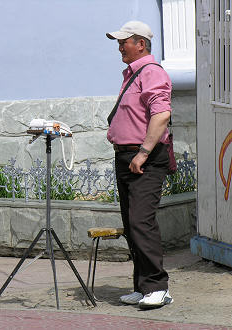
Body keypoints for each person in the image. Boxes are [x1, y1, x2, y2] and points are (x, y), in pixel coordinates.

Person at [105, 21, 173, 309]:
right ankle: (142, 286)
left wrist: (143, 153)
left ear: (141, 44)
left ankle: (158, 286)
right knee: (131, 224)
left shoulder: (152, 72)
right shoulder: (132, 74)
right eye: (119, 42)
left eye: (124, 42)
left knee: (140, 222)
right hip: (127, 156)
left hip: (144, 158)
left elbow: (161, 115)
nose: (120, 47)